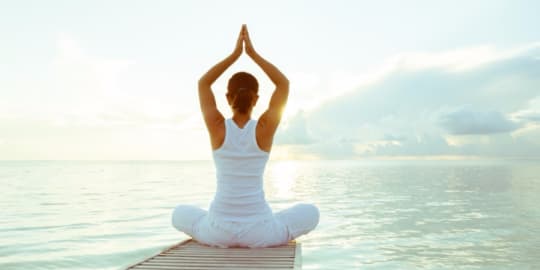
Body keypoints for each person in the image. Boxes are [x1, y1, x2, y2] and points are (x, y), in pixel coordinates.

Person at [172, 24, 319, 248]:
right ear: (256, 99)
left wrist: (235, 55)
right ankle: (272, 226)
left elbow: (203, 83)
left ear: (228, 97)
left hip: (217, 230)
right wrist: (252, 54)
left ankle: (228, 228)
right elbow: (283, 84)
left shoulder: (217, 127)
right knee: (311, 212)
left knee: (178, 213)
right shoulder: (264, 128)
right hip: (259, 232)